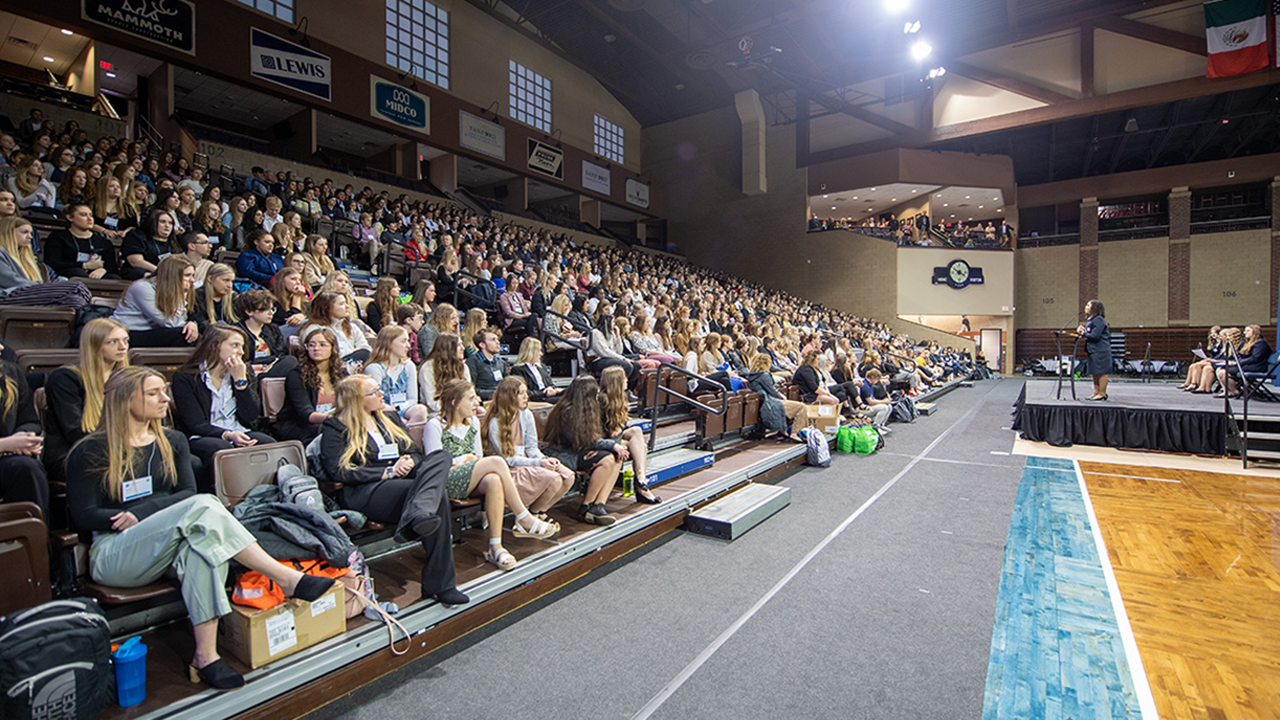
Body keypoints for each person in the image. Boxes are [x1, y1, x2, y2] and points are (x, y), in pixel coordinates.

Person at [66, 367, 335, 691]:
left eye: (163, 391)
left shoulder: (172, 441)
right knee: (205, 506)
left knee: (205, 547)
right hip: (116, 553)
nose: (165, 398)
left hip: (166, 544)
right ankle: (285, 577)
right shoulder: (90, 449)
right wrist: (138, 516)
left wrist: (142, 512)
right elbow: (84, 514)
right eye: (153, 393)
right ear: (125, 400)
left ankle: (206, 657)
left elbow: (185, 494)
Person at [319, 374, 468, 606]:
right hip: (367, 490)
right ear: (356, 400)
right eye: (374, 392)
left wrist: (409, 461)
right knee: (436, 499)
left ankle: (419, 511)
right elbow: (339, 471)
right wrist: (387, 472)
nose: (381, 394)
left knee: (440, 457)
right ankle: (441, 584)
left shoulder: (388, 417)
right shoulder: (335, 426)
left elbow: (416, 452)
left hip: (405, 480)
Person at [424, 379, 557, 572]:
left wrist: (470, 459)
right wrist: (464, 458)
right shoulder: (434, 425)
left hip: (471, 477)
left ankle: (496, 547)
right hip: (446, 481)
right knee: (496, 461)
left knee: (494, 479)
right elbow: (434, 465)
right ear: (454, 402)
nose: (476, 402)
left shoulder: (474, 423)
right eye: (470, 398)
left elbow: (477, 456)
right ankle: (523, 517)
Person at [170, 325, 275, 490]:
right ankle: (220, 495)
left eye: (242, 346)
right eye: (235, 345)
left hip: (240, 431)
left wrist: (240, 382)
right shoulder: (186, 377)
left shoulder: (242, 371)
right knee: (222, 448)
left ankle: (263, 495)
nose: (241, 351)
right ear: (215, 346)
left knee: (268, 443)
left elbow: (251, 416)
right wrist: (227, 435)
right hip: (203, 436)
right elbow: (195, 424)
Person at [45, 318, 130, 483]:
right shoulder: (65, 378)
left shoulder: (127, 378)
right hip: (74, 452)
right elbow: (74, 431)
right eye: (112, 342)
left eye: (125, 341)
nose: (122, 347)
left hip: (121, 448)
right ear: (94, 345)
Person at [485, 376, 574, 519]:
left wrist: (545, 459)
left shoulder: (526, 414)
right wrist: (538, 463)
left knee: (568, 476)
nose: (526, 397)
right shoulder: (496, 422)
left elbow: (532, 447)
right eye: (521, 393)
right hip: (510, 469)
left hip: (528, 462)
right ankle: (530, 516)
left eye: (526, 392)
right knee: (555, 479)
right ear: (509, 396)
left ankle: (537, 512)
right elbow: (509, 460)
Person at [541, 375, 624, 526]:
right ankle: (586, 506)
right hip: (564, 453)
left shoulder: (586, 409)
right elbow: (584, 441)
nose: (598, 396)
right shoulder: (567, 411)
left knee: (617, 457)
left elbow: (588, 440)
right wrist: (612, 445)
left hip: (578, 450)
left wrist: (615, 446)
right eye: (595, 394)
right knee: (607, 459)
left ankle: (598, 506)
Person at [599, 366, 662, 504]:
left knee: (637, 433)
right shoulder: (602, 400)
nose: (627, 381)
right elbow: (609, 431)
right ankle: (642, 486)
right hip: (603, 440)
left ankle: (641, 480)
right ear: (616, 381)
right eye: (624, 378)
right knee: (640, 446)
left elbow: (619, 427)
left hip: (614, 436)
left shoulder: (621, 397)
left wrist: (621, 428)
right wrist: (620, 429)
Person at [0, 341, 48, 518]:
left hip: (6, 459)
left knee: (28, 469)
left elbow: (29, 420)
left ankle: (36, 542)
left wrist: (24, 437)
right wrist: (7, 444)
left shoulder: (10, 374)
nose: (2, 348)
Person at [0, 216, 92, 307]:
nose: (30, 237)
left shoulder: (25, 258)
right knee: (76, 286)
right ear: (8, 233)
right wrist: (43, 286)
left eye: (31, 233)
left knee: (73, 300)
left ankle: (93, 316)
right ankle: (96, 306)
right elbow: (12, 281)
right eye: (24, 232)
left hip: (25, 294)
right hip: (6, 297)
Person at [274, 327, 345, 443]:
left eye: (322, 345)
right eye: (311, 345)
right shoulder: (296, 375)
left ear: (333, 348)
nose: (316, 348)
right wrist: (333, 420)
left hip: (330, 423)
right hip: (299, 425)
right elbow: (306, 414)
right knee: (331, 433)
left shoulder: (341, 374)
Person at [113, 254, 199, 347]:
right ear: (172, 276)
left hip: (153, 331)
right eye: (187, 275)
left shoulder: (171, 289)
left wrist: (192, 324)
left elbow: (181, 318)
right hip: (129, 334)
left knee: (196, 334)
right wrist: (182, 298)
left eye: (192, 275)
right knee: (184, 335)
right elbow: (169, 322)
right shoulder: (143, 288)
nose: (192, 280)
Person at [363, 325, 429, 423]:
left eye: (407, 341)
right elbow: (375, 402)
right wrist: (393, 412)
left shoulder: (408, 366)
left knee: (420, 410)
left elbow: (412, 399)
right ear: (389, 343)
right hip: (383, 411)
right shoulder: (374, 368)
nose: (408, 345)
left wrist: (398, 408)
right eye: (403, 341)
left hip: (403, 408)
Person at [43, 201, 120, 279]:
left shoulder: (103, 242)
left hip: (97, 274)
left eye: (91, 215)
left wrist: (103, 270)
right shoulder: (58, 237)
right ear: (70, 217)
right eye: (83, 215)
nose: (89, 219)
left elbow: (112, 266)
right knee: (78, 273)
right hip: (69, 275)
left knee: (114, 278)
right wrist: (84, 266)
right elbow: (53, 262)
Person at [746, 352, 805, 442]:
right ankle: (794, 434)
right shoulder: (764, 376)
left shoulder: (753, 375)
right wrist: (782, 397)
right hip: (770, 402)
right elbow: (772, 391)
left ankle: (783, 431)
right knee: (801, 407)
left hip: (765, 401)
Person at [299, 291, 371, 364]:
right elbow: (322, 354)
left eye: (346, 303)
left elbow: (366, 348)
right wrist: (353, 351)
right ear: (328, 308)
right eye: (341, 304)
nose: (347, 306)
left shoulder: (352, 327)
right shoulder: (313, 329)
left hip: (356, 365)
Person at [1214, 324, 1272, 399]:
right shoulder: (1248, 343)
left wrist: (1237, 363)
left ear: (1255, 332)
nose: (1245, 332)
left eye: (1248, 331)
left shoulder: (1260, 343)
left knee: (1223, 371)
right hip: (1247, 365)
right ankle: (1227, 391)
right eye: (1245, 330)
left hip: (1256, 366)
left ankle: (1234, 391)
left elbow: (1255, 358)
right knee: (1220, 369)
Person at [419, 332, 470, 416]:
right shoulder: (427, 368)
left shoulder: (463, 367)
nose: (463, 348)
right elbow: (432, 402)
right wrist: (455, 407)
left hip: (460, 408)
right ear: (448, 349)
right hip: (437, 412)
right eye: (459, 345)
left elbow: (468, 394)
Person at [120, 208, 178, 280]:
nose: (167, 225)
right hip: (140, 273)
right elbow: (135, 261)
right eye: (163, 222)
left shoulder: (173, 241)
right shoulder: (137, 236)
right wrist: (160, 271)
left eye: (170, 223)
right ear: (153, 222)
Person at [234, 290, 286, 367]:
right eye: (264, 309)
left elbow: (279, 355)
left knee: (291, 360)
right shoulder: (235, 332)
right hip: (247, 371)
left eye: (272, 309)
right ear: (249, 311)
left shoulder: (273, 330)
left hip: (271, 369)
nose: (271, 313)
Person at [1076, 299, 1111, 401]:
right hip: (1093, 350)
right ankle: (1096, 392)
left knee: (1101, 371)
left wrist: (1083, 333)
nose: (1085, 307)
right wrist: (1084, 330)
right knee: (1095, 371)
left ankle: (1102, 393)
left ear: (1094, 308)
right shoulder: (1092, 320)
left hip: (1100, 350)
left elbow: (1095, 336)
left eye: (1088, 305)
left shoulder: (1099, 320)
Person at [510, 336, 563, 402]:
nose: (541, 354)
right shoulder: (518, 370)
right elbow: (525, 392)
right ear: (531, 352)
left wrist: (553, 389)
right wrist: (544, 392)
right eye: (539, 351)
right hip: (538, 398)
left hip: (549, 396)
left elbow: (550, 384)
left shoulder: (541, 366)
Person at [466, 327, 509, 400]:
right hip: (484, 401)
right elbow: (471, 388)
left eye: (497, 339)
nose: (498, 342)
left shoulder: (501, 363)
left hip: (502, 400)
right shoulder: (473, 362)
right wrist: (495, 393)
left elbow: (509, 384)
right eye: (493, 340)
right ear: (482, 345)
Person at [191, 263, 238, 328]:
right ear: (210, 278)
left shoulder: (233, 298)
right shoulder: (196, 296)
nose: (229, 285)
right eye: (225, 280)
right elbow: (201, 324)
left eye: (231, 281)